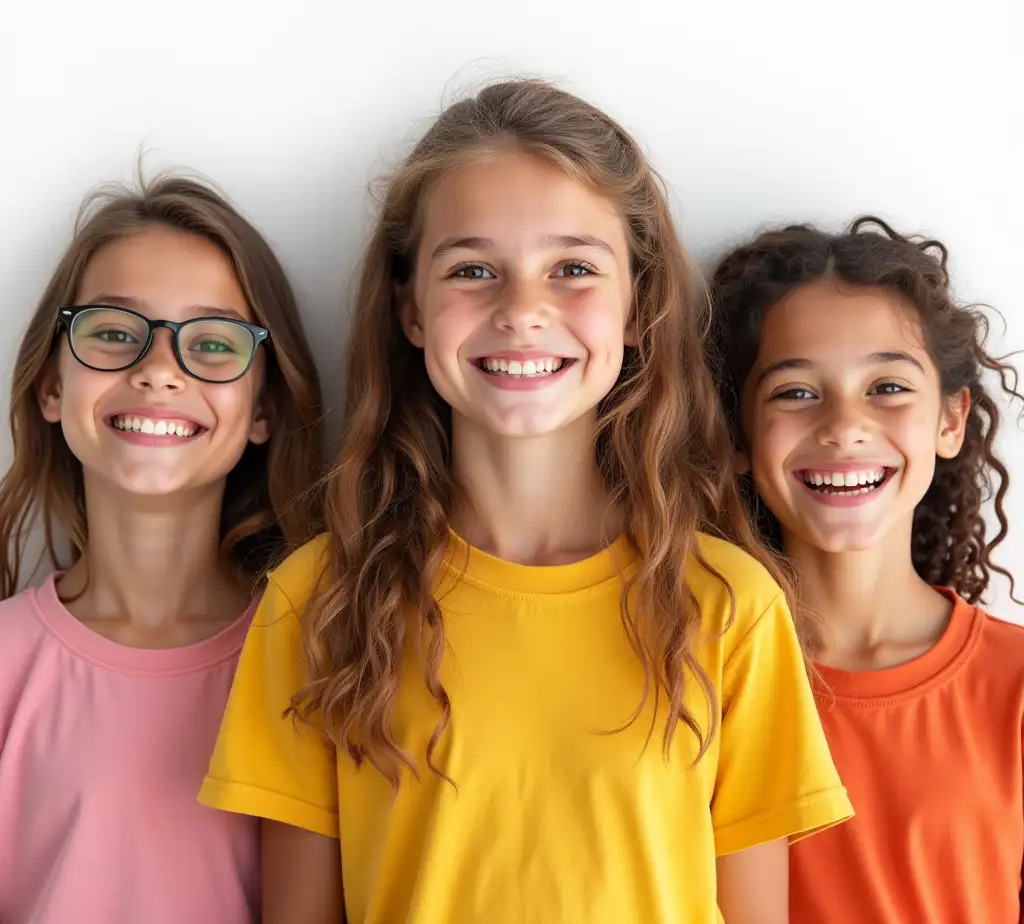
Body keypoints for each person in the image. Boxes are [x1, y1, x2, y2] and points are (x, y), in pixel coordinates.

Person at [201, 81, 852, 924]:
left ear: (636, 307)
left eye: (573, 268)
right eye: (473, 270)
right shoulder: (317, 600)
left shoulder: (728, 605)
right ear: (408, 307)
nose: (523, 311)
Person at [0, 174, 323, 924]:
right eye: (114, 331)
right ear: (52, 386)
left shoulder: (323, 658)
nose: (158, 368)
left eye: (212, 343)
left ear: (264, 409)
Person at [708, 216, 1024, 922]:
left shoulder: (1016, 688)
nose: (844, 425)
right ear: (734, 434)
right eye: (795, 392)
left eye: (886, 387)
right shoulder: (693, 676)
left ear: (951, 420)